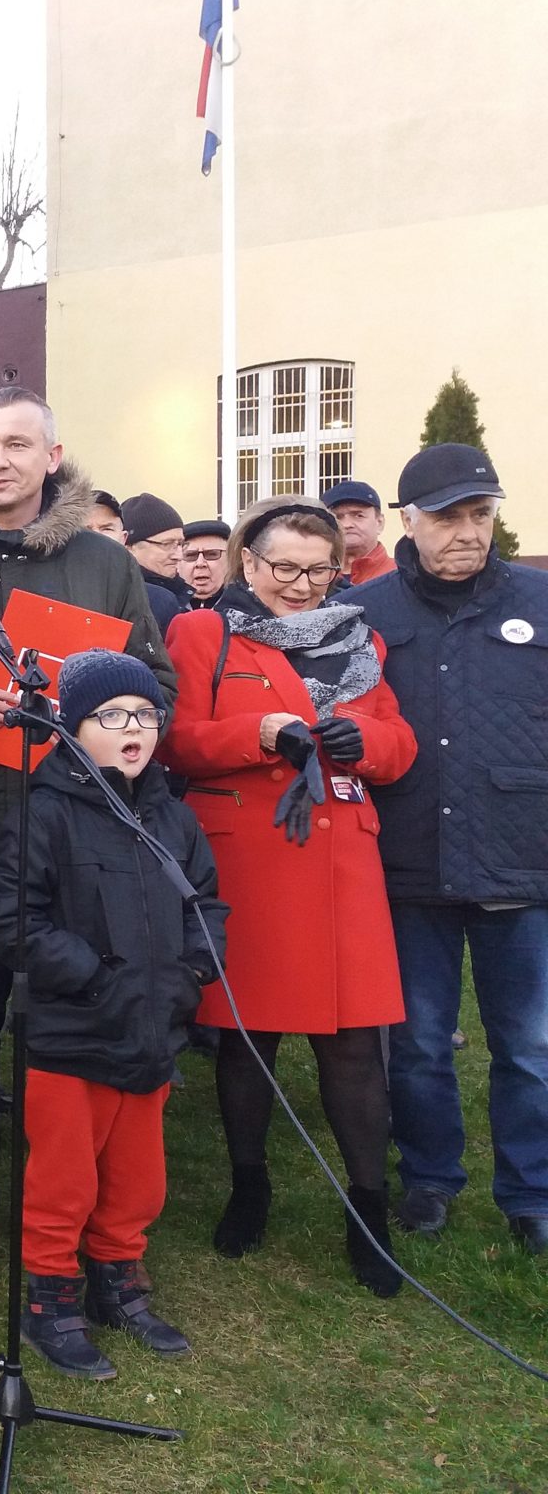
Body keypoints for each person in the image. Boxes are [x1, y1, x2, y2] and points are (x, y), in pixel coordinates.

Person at [0, 387, 174, 1292]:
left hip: (82, 845)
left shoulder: (105, 567)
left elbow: (158, 686)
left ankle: (85, 1216)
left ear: (52, 455)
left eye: (15, 444)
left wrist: (105, 718)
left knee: (75, 1035)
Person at [162, 494, 418, 1295]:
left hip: (342, 861)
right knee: (250, 1035)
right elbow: (176, 741)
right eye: (285, 568)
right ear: (248, 561)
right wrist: (264, 732)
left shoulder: (360, 639)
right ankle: (250, 1187)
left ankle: (368, 1210)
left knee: (354, 1042)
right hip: (254, 862)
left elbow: (400, 744)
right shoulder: (205, 631)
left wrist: (364, 740)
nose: (303, 585)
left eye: (319, 570)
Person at [0, 650, 226, 1379]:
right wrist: (93, 979)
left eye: (145, 715)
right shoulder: (44, 811)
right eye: (111, 716)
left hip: (153, 1030)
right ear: (71, 727)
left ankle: (118, 1278)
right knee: (63, 1179)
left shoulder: (174, 819)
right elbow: (11, 918)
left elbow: (205, 904)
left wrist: (191, 971)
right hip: (74, 1034)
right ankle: (50, 1299)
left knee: (136, 1177)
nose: (133, 729)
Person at [357, 446, 548, 1255]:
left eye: (480, 514)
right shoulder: (367, 612)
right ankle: (430, 1178)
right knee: (421, 1041)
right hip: (410, 860)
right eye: (446, 517)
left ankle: (532, 1191)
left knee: (531, 1045)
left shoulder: (541, 601)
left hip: (521, 858)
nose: (466, 532)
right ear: (409, 522)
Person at [120, 493, 192, 632]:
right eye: (166, 544)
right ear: (129, 547)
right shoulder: (124, 601)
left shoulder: (186, 595)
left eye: (181, 544)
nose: (179, 555)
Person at [323, 480, 396, 588]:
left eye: (358, 515)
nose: (347, 524)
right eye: (337, 517)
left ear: (379, 523)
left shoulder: (400, 576)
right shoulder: (315, 577)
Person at [180, 518, 231, 608]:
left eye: (211, 554)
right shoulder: (164, 608)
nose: (200, 563)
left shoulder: (248, 608)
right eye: (190, 555)